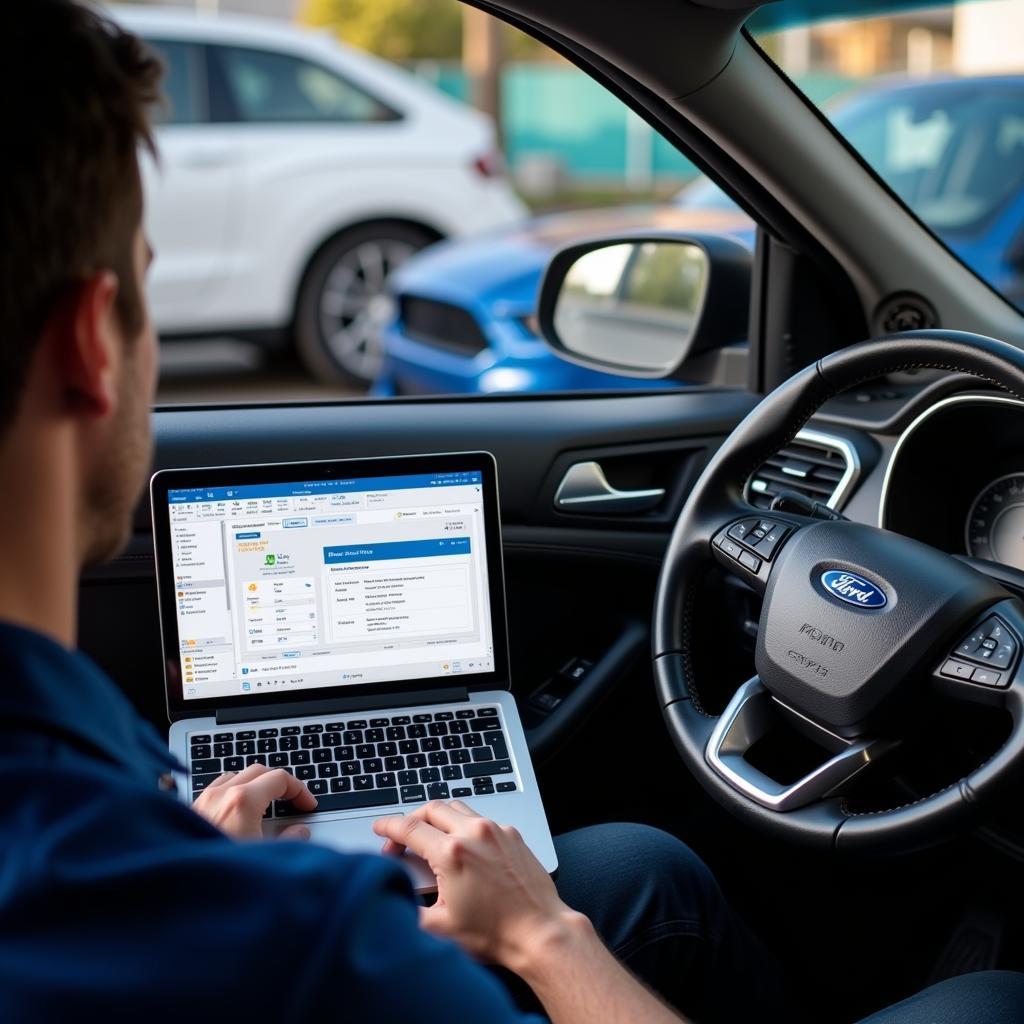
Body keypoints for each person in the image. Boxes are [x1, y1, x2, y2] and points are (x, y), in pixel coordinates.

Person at [1, 3, 1022, 1022]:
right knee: (988, 998)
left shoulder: (108, 827)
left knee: (642, 869)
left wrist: (202, 859)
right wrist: (540, 936)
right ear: (95, 342)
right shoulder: (314, 944)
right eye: (148, 285)